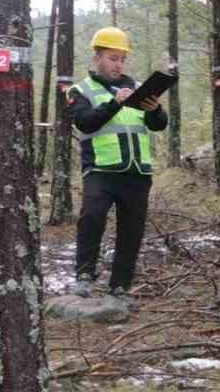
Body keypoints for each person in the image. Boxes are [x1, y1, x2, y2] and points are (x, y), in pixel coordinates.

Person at [67, 26, 168, 298]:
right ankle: (85, 275)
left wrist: (155, 109)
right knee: (91, 218)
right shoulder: (80, 90)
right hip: (100, 170)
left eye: (122, 59)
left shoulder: (138, 89)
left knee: (132, 230)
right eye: (113, 58)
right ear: (97, 57)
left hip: (137, 171)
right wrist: (114, 103)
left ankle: (120, 284)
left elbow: (159, 125)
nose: (118, 64)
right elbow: (84, 122)